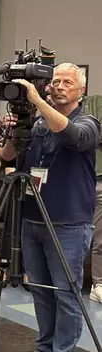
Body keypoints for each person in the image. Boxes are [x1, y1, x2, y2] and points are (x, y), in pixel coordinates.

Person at [0, 64, 101, 352]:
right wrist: (16, 129)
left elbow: (71, 134)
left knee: (65, 293)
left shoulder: (89, 122)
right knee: (40, 290)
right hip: (32, 217)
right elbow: (8, 157)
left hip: (68, 222)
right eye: (54, 81)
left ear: (81, 90)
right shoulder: (38, 121)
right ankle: (43, 350)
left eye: (67, 82)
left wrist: (38, 102)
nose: (58, 86)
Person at [83, 94, 102, 303]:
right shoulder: (93, 102)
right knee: (74, 231)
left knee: (100, 238)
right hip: (86, 180)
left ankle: (99, 284)